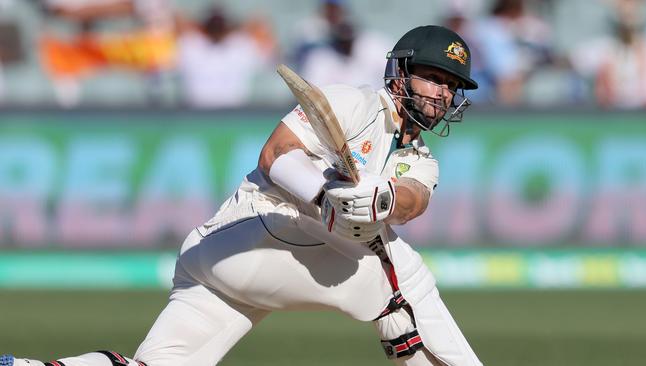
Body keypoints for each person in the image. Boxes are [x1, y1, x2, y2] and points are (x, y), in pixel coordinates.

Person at [1, 25, 482, 366]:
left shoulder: (419, 156)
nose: (442, 94)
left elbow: (414, 198)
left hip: (221, 267)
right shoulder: (353, 101)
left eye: (451, 86)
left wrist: (381, 201)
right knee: (401, 275)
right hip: (255, 232)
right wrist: (325, 197)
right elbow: (276, 154)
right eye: (434, 78)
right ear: (400, 72)